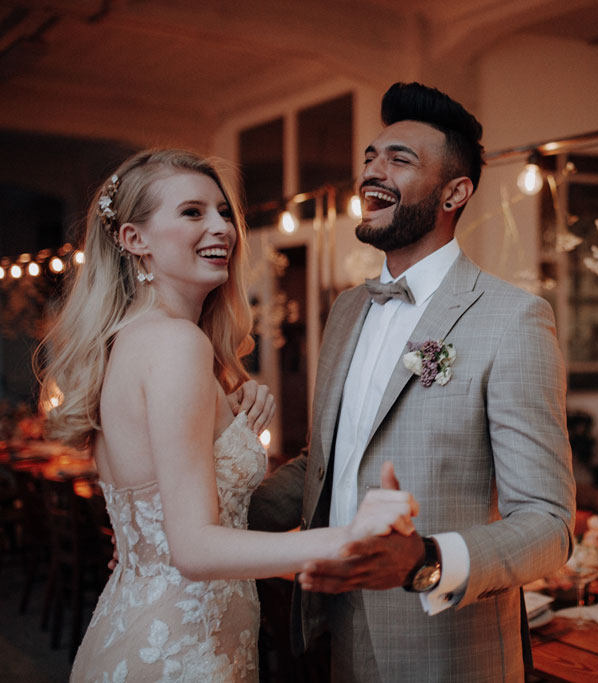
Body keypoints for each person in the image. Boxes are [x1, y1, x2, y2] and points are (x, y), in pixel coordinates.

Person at [35, 149, 419, 683]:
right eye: (192, 213)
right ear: (133, 240)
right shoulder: (175, 344)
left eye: (221, 211)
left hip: (149, 629)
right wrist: (347, 538)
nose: (222, 227)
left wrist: (231, 431)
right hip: (183, 654)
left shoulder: (133, 340)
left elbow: (165, 523)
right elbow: (192, 547)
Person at [248, 82, 576, 681]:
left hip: (447, 646)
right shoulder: (346, 309)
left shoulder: (513, 319)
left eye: (399, 160)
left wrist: (425, 560)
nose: (373, 171)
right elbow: (328, 461)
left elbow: (550, 525)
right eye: (370, 157)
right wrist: (213, 516)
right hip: (338, 627)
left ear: (455, 191)